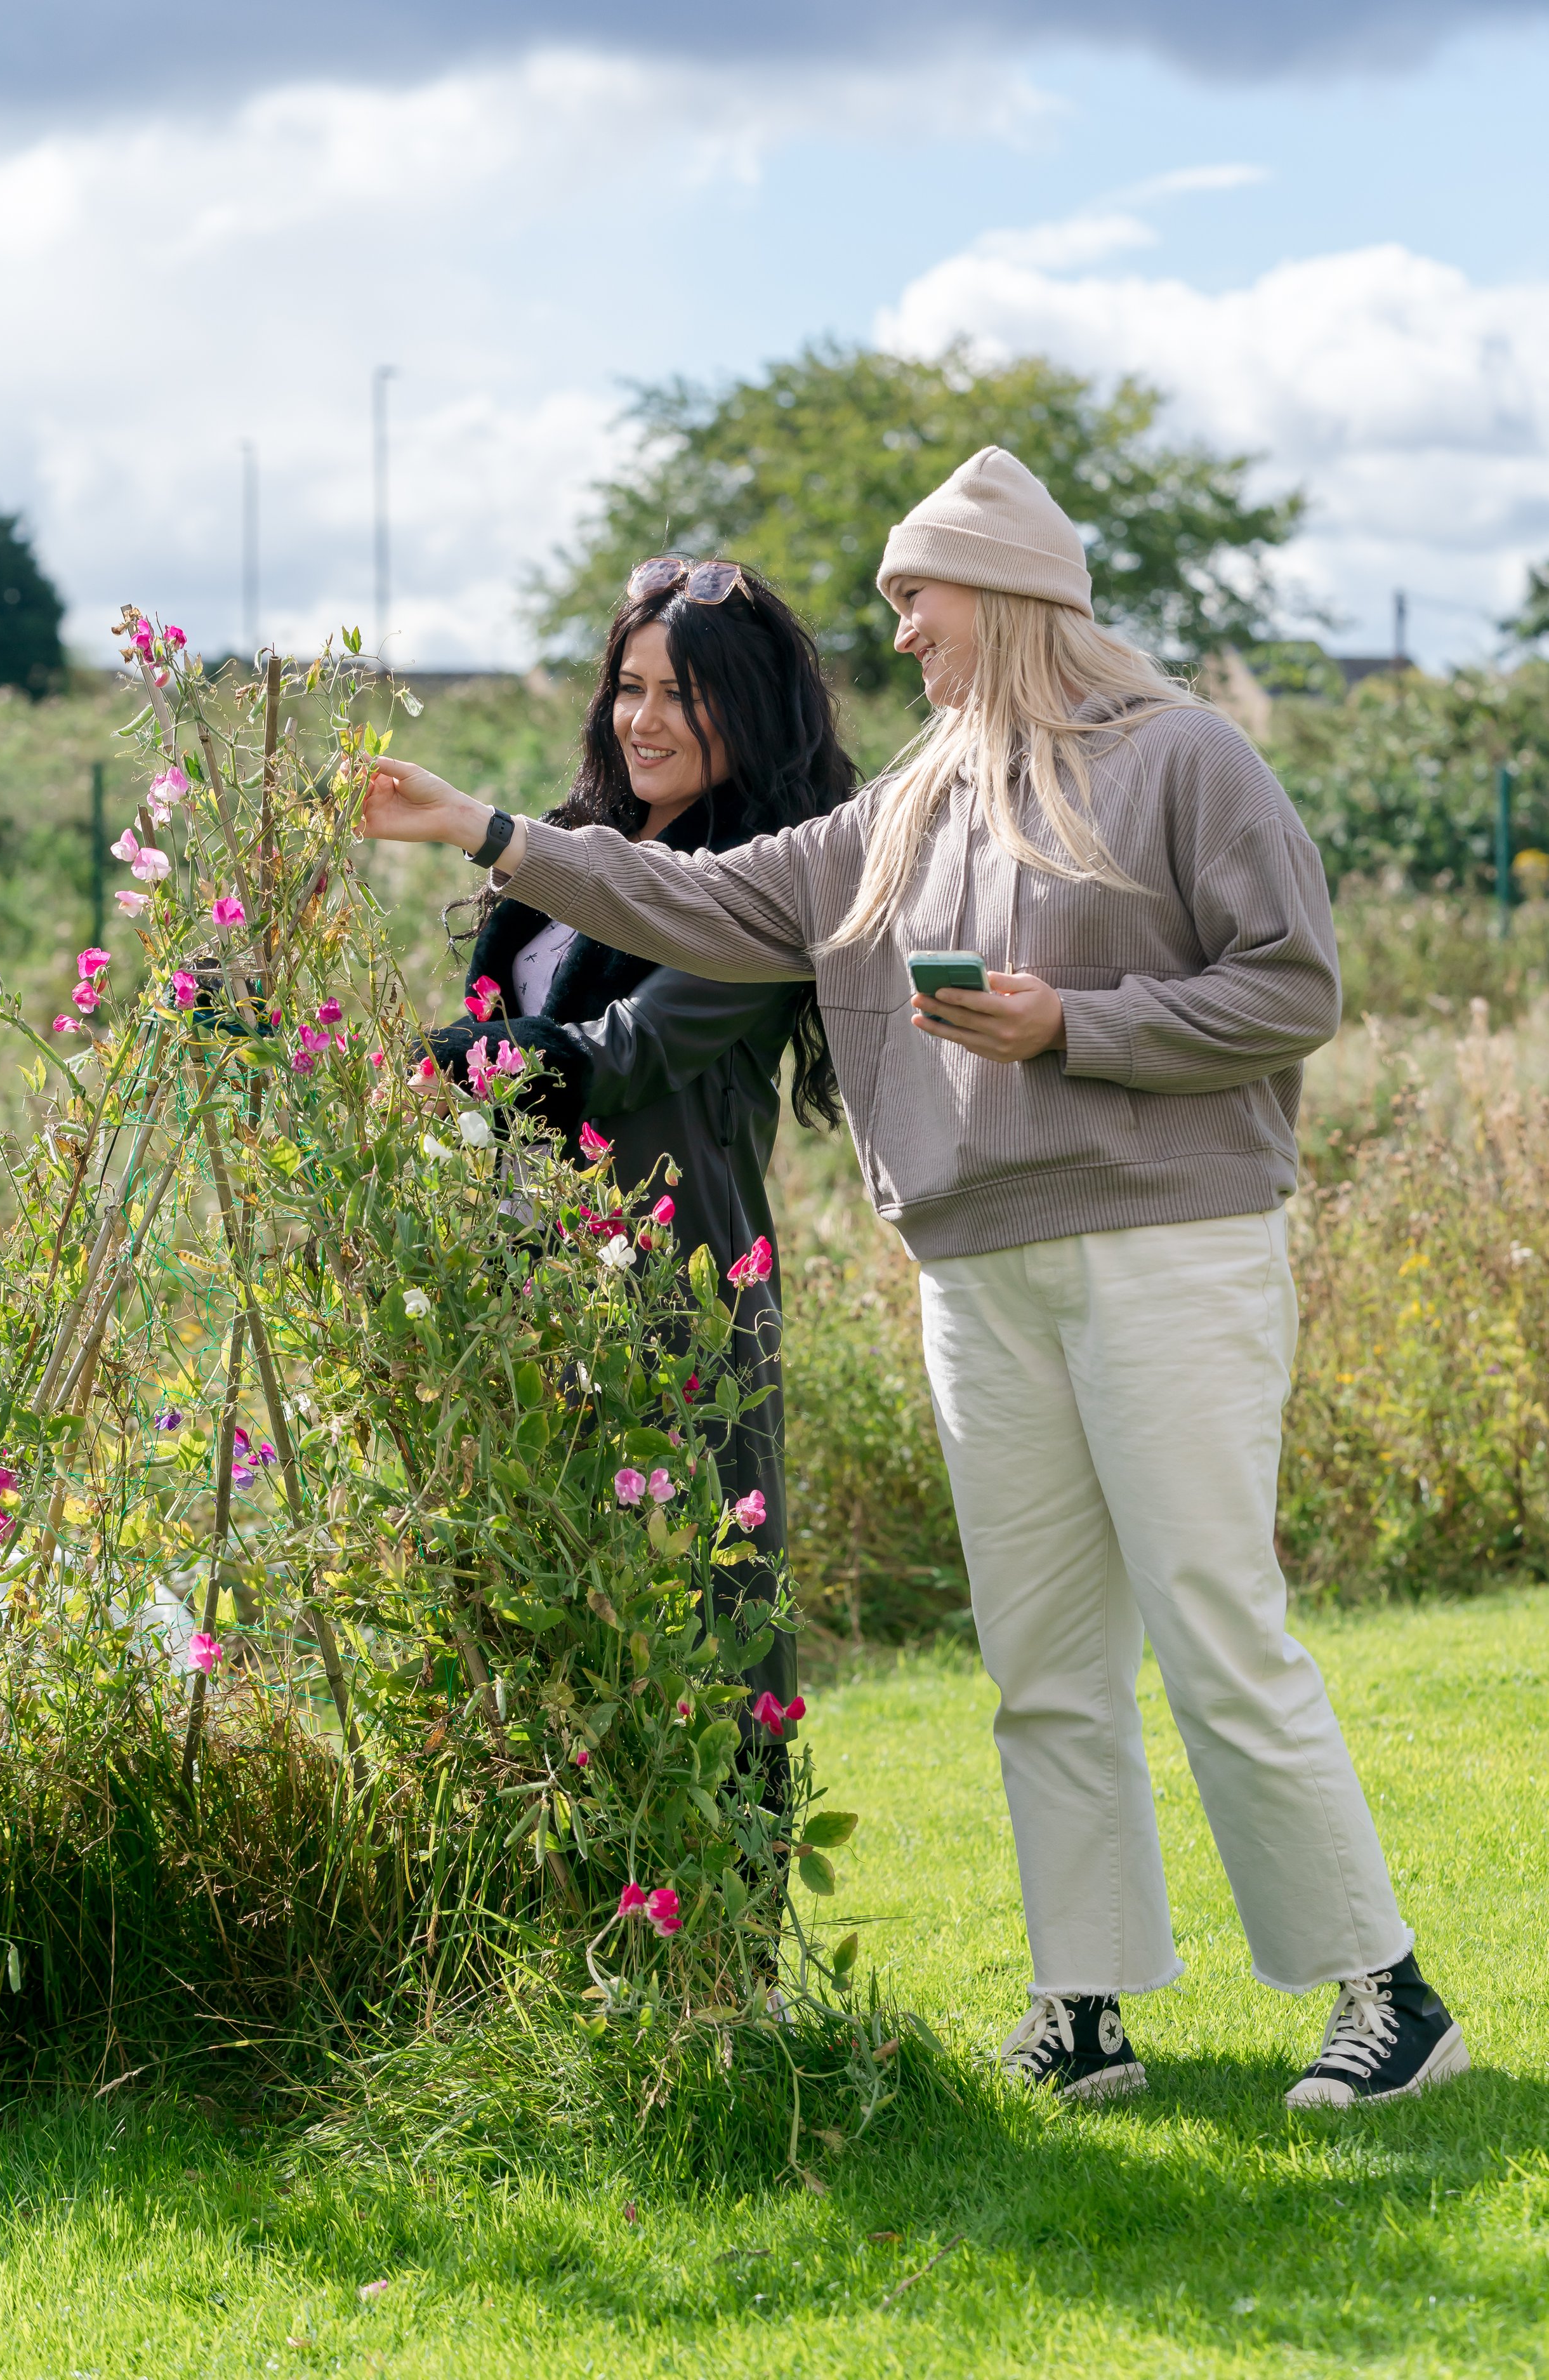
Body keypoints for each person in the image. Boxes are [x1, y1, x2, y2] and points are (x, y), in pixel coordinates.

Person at [361, 449, 1468, 2112]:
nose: (899, 637)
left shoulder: (1181, 756)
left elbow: (1288, 985)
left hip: (1165, 1246)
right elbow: (705, 896)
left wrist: (1071, 1024)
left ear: (1009, 595)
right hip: (973, 1263)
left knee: (1214, 1624)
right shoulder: (911, 801)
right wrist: (488, 829)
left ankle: (1384, 1992)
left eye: (915, 600)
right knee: (1038, 1656)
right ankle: (1081, 2002)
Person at [376, 556, 855, 1754]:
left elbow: (618, 1057)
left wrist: (418, 1067)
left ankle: (727, 1917)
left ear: (741, 710)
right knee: (545, 1589)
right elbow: (502, 1037)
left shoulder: (764, 879)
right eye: (629, 688)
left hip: (677, 1275)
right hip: (529, 1274)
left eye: (680, 697)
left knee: (708, 1589)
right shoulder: (574, 850)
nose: (644, 721)